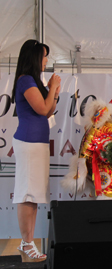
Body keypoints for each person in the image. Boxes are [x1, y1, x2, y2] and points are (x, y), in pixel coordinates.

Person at [11, 39, 61, 262]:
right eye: (43, 56)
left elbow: (49, 110)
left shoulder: (33, 81)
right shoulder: (25, 80)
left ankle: (27, 243)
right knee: (26, 193)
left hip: (38, 143)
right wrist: (51, 88)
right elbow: (41, 108)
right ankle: (26, 242)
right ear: (33, 57)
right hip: (29, 143)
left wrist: (54, 91)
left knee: (34, 195)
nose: (46, 60)